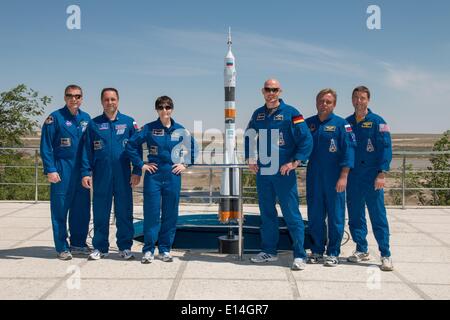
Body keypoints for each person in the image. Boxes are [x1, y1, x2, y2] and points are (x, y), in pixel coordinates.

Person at [245, 79, 313, 270]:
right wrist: (250, 158)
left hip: (283, 173)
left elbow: (306, 139)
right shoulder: (257, 115)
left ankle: (299, 255)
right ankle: (269, 251)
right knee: (267, 213)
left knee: (291, 214)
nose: (271, 93)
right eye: (268, 89)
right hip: (264, 172)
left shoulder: (292, 113)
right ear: (263, 91)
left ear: (280, 91)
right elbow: (249, 135)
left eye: (274, 90)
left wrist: (296, 161)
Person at [126, 96, 197, 264]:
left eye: (167, 107)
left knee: (170, 215)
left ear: (172, 109)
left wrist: (185, 165)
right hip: (154, 176)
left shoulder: (180, 130)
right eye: (161, 107)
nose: (164, 111)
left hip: (173, 176)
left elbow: (193, 149)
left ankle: (165, 249)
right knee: (151, 214)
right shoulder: (149, 128)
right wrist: (141, 164)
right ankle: (148, 250)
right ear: (156, 109)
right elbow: (131, 145)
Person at [81, 88, 142, 261]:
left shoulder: (129, 122)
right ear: (102, 102)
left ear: (118, 100)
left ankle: (124, 247)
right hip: (101, 175)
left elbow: (137, 149)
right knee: (100, 211)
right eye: (106, 99)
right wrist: (86, 172)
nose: (110, 102)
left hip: (123, 175)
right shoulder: (93, 124)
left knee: (124, 212)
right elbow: (87, 151)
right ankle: (100, 247)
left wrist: (137, 171)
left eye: (113, 99)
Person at [40, 84, 91, 260]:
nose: (73, 99)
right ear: (64, 97)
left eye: (77, 96)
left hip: (82, 170)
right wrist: (51, 169)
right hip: (62, 169)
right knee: (60, 209)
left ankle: (78, 243)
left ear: (82, 98)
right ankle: (62, 247)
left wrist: (89, 171)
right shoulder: (55, 118)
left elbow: (90, 147)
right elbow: (46, 146)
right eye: (70, 95)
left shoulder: (86, 118)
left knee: (81, 209)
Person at [305, 89, 356, 267]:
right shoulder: (308, 123)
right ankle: (317, 250)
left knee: (336, 216)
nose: (324, 104)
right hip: (314, 177)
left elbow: (349, 151)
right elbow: (298, 144)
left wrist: (344, 176)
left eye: (328, 101)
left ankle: (333, 252)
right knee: (315, 215)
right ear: (316, 102)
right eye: (321, 101)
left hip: (335, 178)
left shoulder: (343, 125)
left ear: (334, 104)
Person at [345, 86, 394, 271]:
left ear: (368, 100)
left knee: (378, 216)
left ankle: (385, 254)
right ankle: (361, 249)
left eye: (362, 98)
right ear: (352, 100)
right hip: (353, 178)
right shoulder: (347, 122)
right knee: (355, 216)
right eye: (356, 97)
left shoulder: (378, 122)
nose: (359, 101)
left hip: (373, 177)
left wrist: (382, 172)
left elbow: (386, 148)